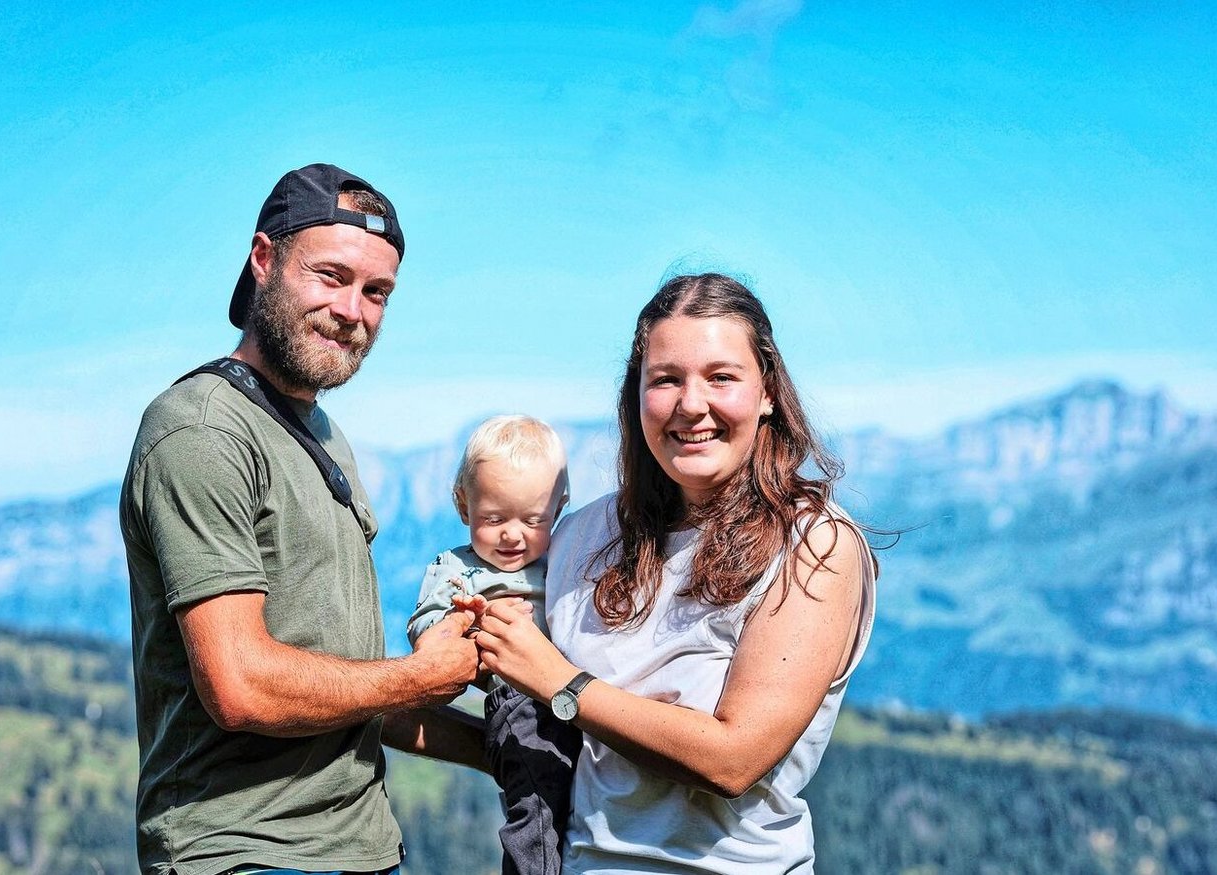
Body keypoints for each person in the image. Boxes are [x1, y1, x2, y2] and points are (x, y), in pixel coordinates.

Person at [120, 163, 483, 875]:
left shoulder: (318, 431)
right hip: (245, 855)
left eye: (376, 291)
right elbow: (242, 684)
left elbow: (345, 685)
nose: (353, 310)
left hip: (361, 849)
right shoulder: (201, 430)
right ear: (264, 260)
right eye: (331, 276)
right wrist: (420, 673)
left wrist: (503, 752)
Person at [473, 272, 878, 873]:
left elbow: (733, 761)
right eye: (665, 379)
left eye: (721, 377)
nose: (692, 404)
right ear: (635, 397)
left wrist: (563, 685)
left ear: (767, 391)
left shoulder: (815, 544)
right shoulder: (579, 535)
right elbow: (515, 684)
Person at [405, 415, 578, 875]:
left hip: (574, 692)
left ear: (558, 510)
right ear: (464, 507)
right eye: (494, 518)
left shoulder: (564, 555)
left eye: (533, 520)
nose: (512, 534)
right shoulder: (458, 571)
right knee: (537, 802)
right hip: (519, 703)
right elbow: (425, 630)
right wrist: (468, 627)